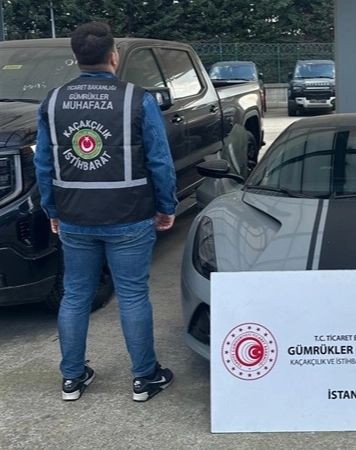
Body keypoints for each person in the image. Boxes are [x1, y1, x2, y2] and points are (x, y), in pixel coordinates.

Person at [34, 22, 178, 402]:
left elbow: (44, 165)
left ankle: (72, 378)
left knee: (75, 295)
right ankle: (145, 377)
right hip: (130, 216)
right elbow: (160, 161)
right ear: (113, 56)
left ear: (76, 57)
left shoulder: (52, 102)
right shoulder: (138, 99)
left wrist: (52, 209)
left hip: (74, 216)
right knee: (132, 295)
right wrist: (167, 206)